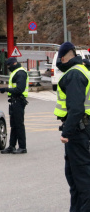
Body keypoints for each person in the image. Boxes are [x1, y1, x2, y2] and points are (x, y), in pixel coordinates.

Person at [54, 41, 90, 211]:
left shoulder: (74, 74)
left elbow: (76, 108)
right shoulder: (82, 70)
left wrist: (66, 132)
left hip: (78, 131)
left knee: (82, 180)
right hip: (82, 129)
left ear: (63, 58)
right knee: (75, 178)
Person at [0, 57, 29, 154]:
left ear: (14, 63)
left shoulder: (20, 73)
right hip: (14, 101)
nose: (8, 68)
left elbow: (20, 89)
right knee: (14, 125)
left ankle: (22, 147)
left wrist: (6, 89)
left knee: (19, 124)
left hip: (18, 101)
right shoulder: (15, 72)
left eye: (9, 65)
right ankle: (12, 146)